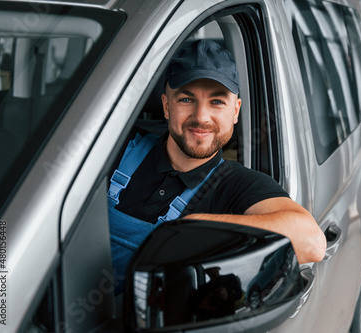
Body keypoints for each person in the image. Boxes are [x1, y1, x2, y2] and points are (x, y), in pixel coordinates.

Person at [107, 39, 326, 291]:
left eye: (217, 102)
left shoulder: (236, 185)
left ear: (235, 111)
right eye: (186, 100)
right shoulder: (117, 149)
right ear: (166, 106)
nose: (201, 117)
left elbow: (312, 242)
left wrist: (192, 230)